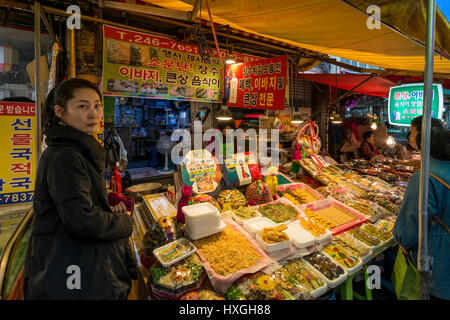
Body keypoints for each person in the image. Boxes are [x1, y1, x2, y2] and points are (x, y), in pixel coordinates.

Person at [23, 78, 137, 300]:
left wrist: (106, 205)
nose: (93, 114)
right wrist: (126, 221)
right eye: (82, 106)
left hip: (80, 262)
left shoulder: (75, 149)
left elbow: (78, 203)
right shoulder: (65, 156)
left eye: (97, 105)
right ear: (60, 112)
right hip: (73, 273)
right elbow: (83, 221)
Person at [392, 116, 450, 300]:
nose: (410, 136)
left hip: (436, 262)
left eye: (413, 132)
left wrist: (401, 239)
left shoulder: (425, 176)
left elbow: (408, 228)